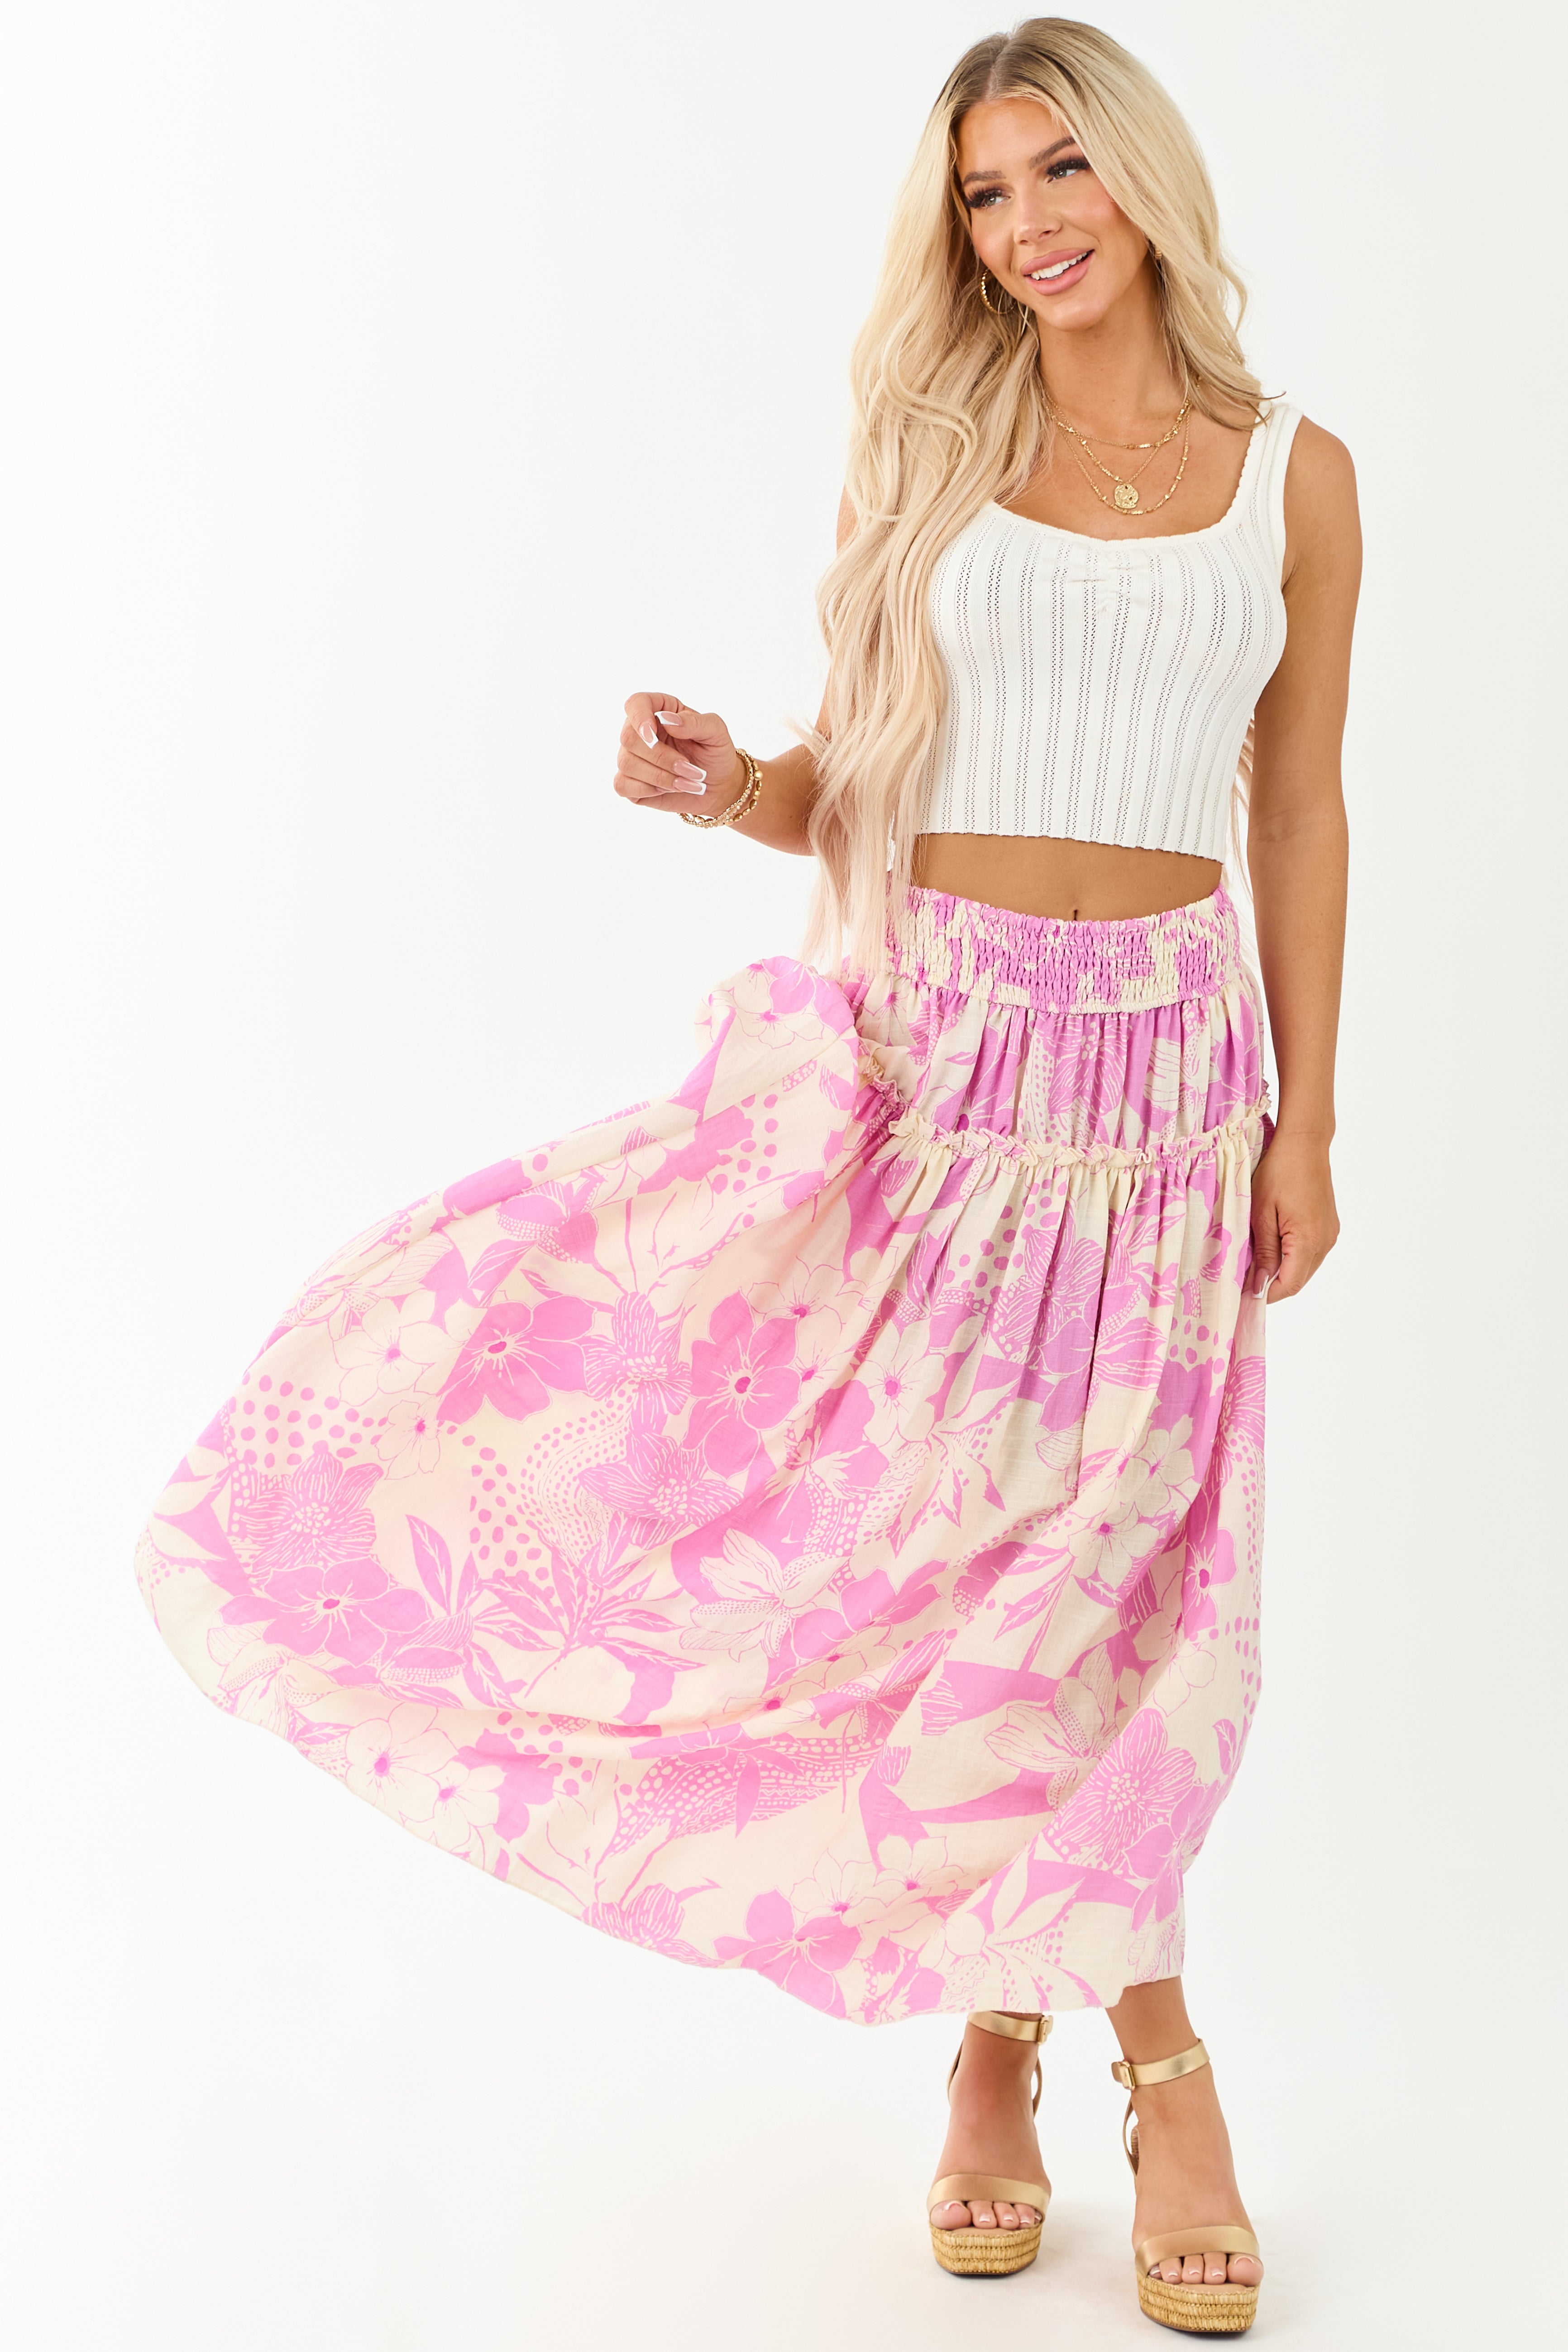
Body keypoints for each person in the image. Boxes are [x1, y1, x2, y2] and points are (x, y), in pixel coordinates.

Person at [137, 17, 1356, 2335]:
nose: (1029, 224)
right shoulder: (934, 458)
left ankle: (1004, 2048)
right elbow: (866, 786)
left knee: (1120, 1601)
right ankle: (1142, 2061)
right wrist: (730, 791)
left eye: (1059, 170)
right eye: (985, 195)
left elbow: (1294, 806)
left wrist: (1309, 1114)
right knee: (952, 1576)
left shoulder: (1294, 476)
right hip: (940, 1077)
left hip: (1162, 1105)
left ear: (1140, 176)